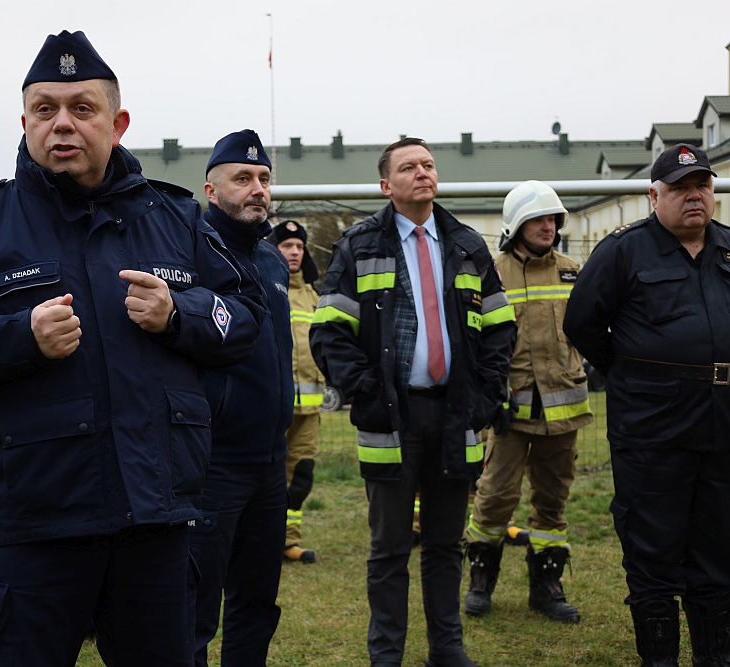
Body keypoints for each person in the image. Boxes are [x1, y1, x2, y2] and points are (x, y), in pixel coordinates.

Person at [0, 30, 263, 667]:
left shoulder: (177, 218)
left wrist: (179, 315)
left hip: (155, 524)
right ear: (24, 121)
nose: (63, 125)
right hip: (34, 526)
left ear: (119, 122)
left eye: (83, 108)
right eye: (46, 109)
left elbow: (244, 316)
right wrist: (16, 336)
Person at [310, 137, 516, 667]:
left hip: (457, 416)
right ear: (386, 185)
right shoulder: (358, 245)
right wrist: (368, 394)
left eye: (428, 164)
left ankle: (447, 651)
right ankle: (387, 655)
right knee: (389, 549)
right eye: (409, 167)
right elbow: (329, 331)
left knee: (447, 545)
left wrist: (484, 399)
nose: (423, 172)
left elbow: (499, 329)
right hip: (389, 420)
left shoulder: (468, 244)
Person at [563, 144, 730, 667]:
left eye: (701, 185)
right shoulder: (624, 251)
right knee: (653, 552)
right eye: (679, 187)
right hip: (652, 432)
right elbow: (582, 323)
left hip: (724, 429)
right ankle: (660, 660)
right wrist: (637, 375)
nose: (693, 196)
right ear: (655, 195)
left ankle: (715, 657)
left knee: (719, 547)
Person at [463, 181, 592, 624]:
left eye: (553, 219)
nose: (548, 226)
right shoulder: (489, 272)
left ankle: (547, 588)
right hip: (509, 410)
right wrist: (487, 396)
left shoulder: (575, 271)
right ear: (515, 224)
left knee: (552, 500)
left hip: (565, 410)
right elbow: (474, 340)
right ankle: (481, 582)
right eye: (538, 219)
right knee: (495, 497)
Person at [190, 130, 292, 667]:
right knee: (196, 607)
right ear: (211, 188)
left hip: (269, 460)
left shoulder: (274, 260)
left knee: (257, 600)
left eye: (264, 179)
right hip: (214, 462)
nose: (258, 189)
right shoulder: (191, 252)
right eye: (243, 178)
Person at [270, 219, 324, 564]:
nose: (294, 252)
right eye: (287, 245)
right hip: (274, 406)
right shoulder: (263, 284)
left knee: (301, 476)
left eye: (299, 247)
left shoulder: (314, 295)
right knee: (268, 476)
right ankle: (262, 540)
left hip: (311, 410)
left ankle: (289, 541)